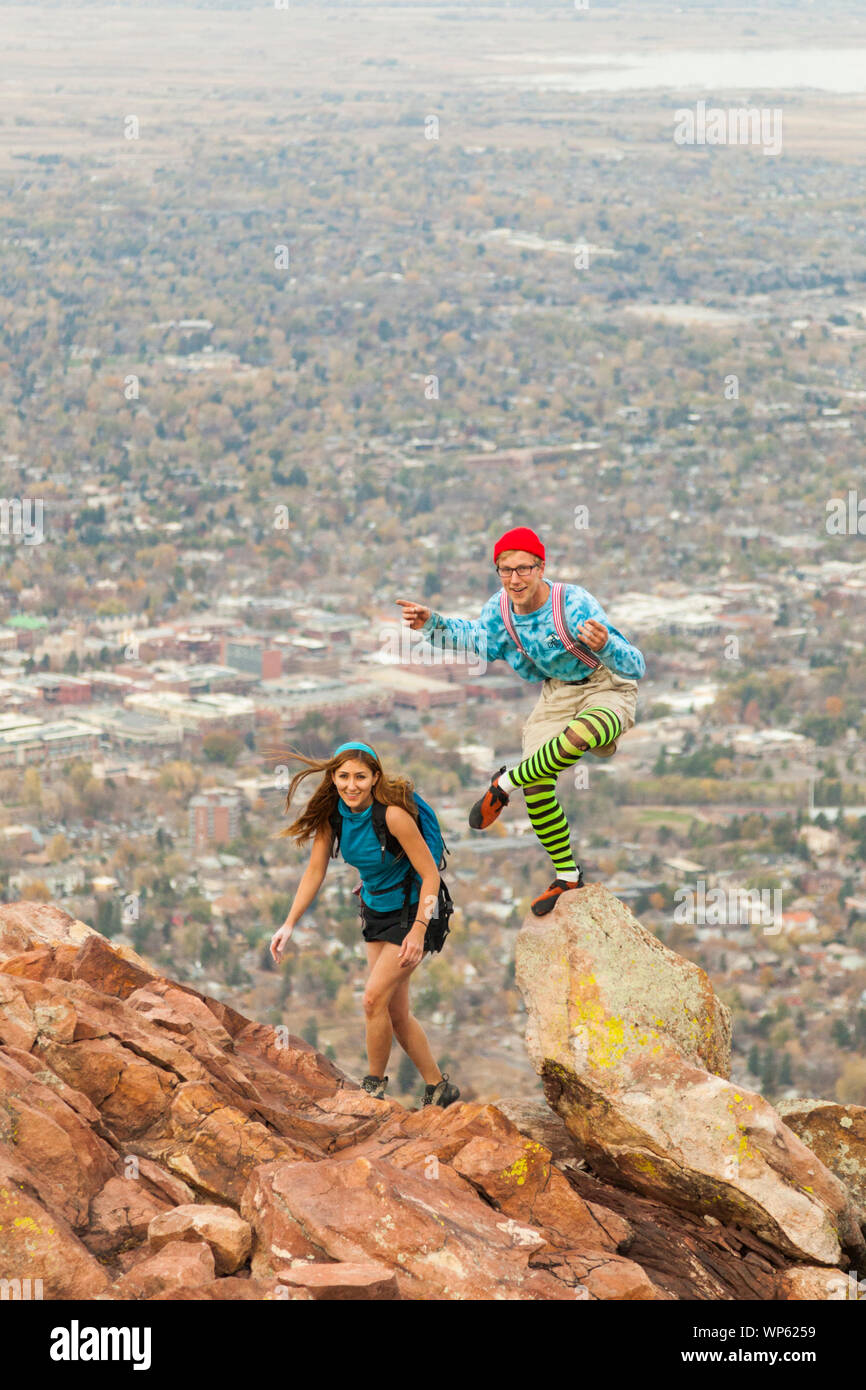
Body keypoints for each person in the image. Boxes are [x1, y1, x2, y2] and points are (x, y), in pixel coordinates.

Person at [397, 526, 645, 917]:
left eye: (524, 569)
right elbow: (475, 639)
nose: (515, 579)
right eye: (505, 570)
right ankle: (567, 875)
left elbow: (636, 665)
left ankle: (505, 782)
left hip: (605, 684)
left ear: (541, 567)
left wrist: (607, 645)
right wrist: (432, 623)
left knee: (581, 735)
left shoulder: (573, 604)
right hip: (557, 693)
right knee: (539, 785)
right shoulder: (500, 612)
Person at [269, 740, 460, 1107]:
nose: (351, 785)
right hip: (376, 908)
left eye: (360, 776)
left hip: (416, 910)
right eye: (343, 776)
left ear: (375, 778)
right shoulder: (333, 816)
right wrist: (289, 924)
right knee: (394, 1010)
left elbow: (430, 876)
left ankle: (373, 1087)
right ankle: (439, 1088)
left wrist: (419, 930)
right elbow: (315, 870)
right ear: (333, 778)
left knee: (372, 999)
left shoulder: (392, 816)